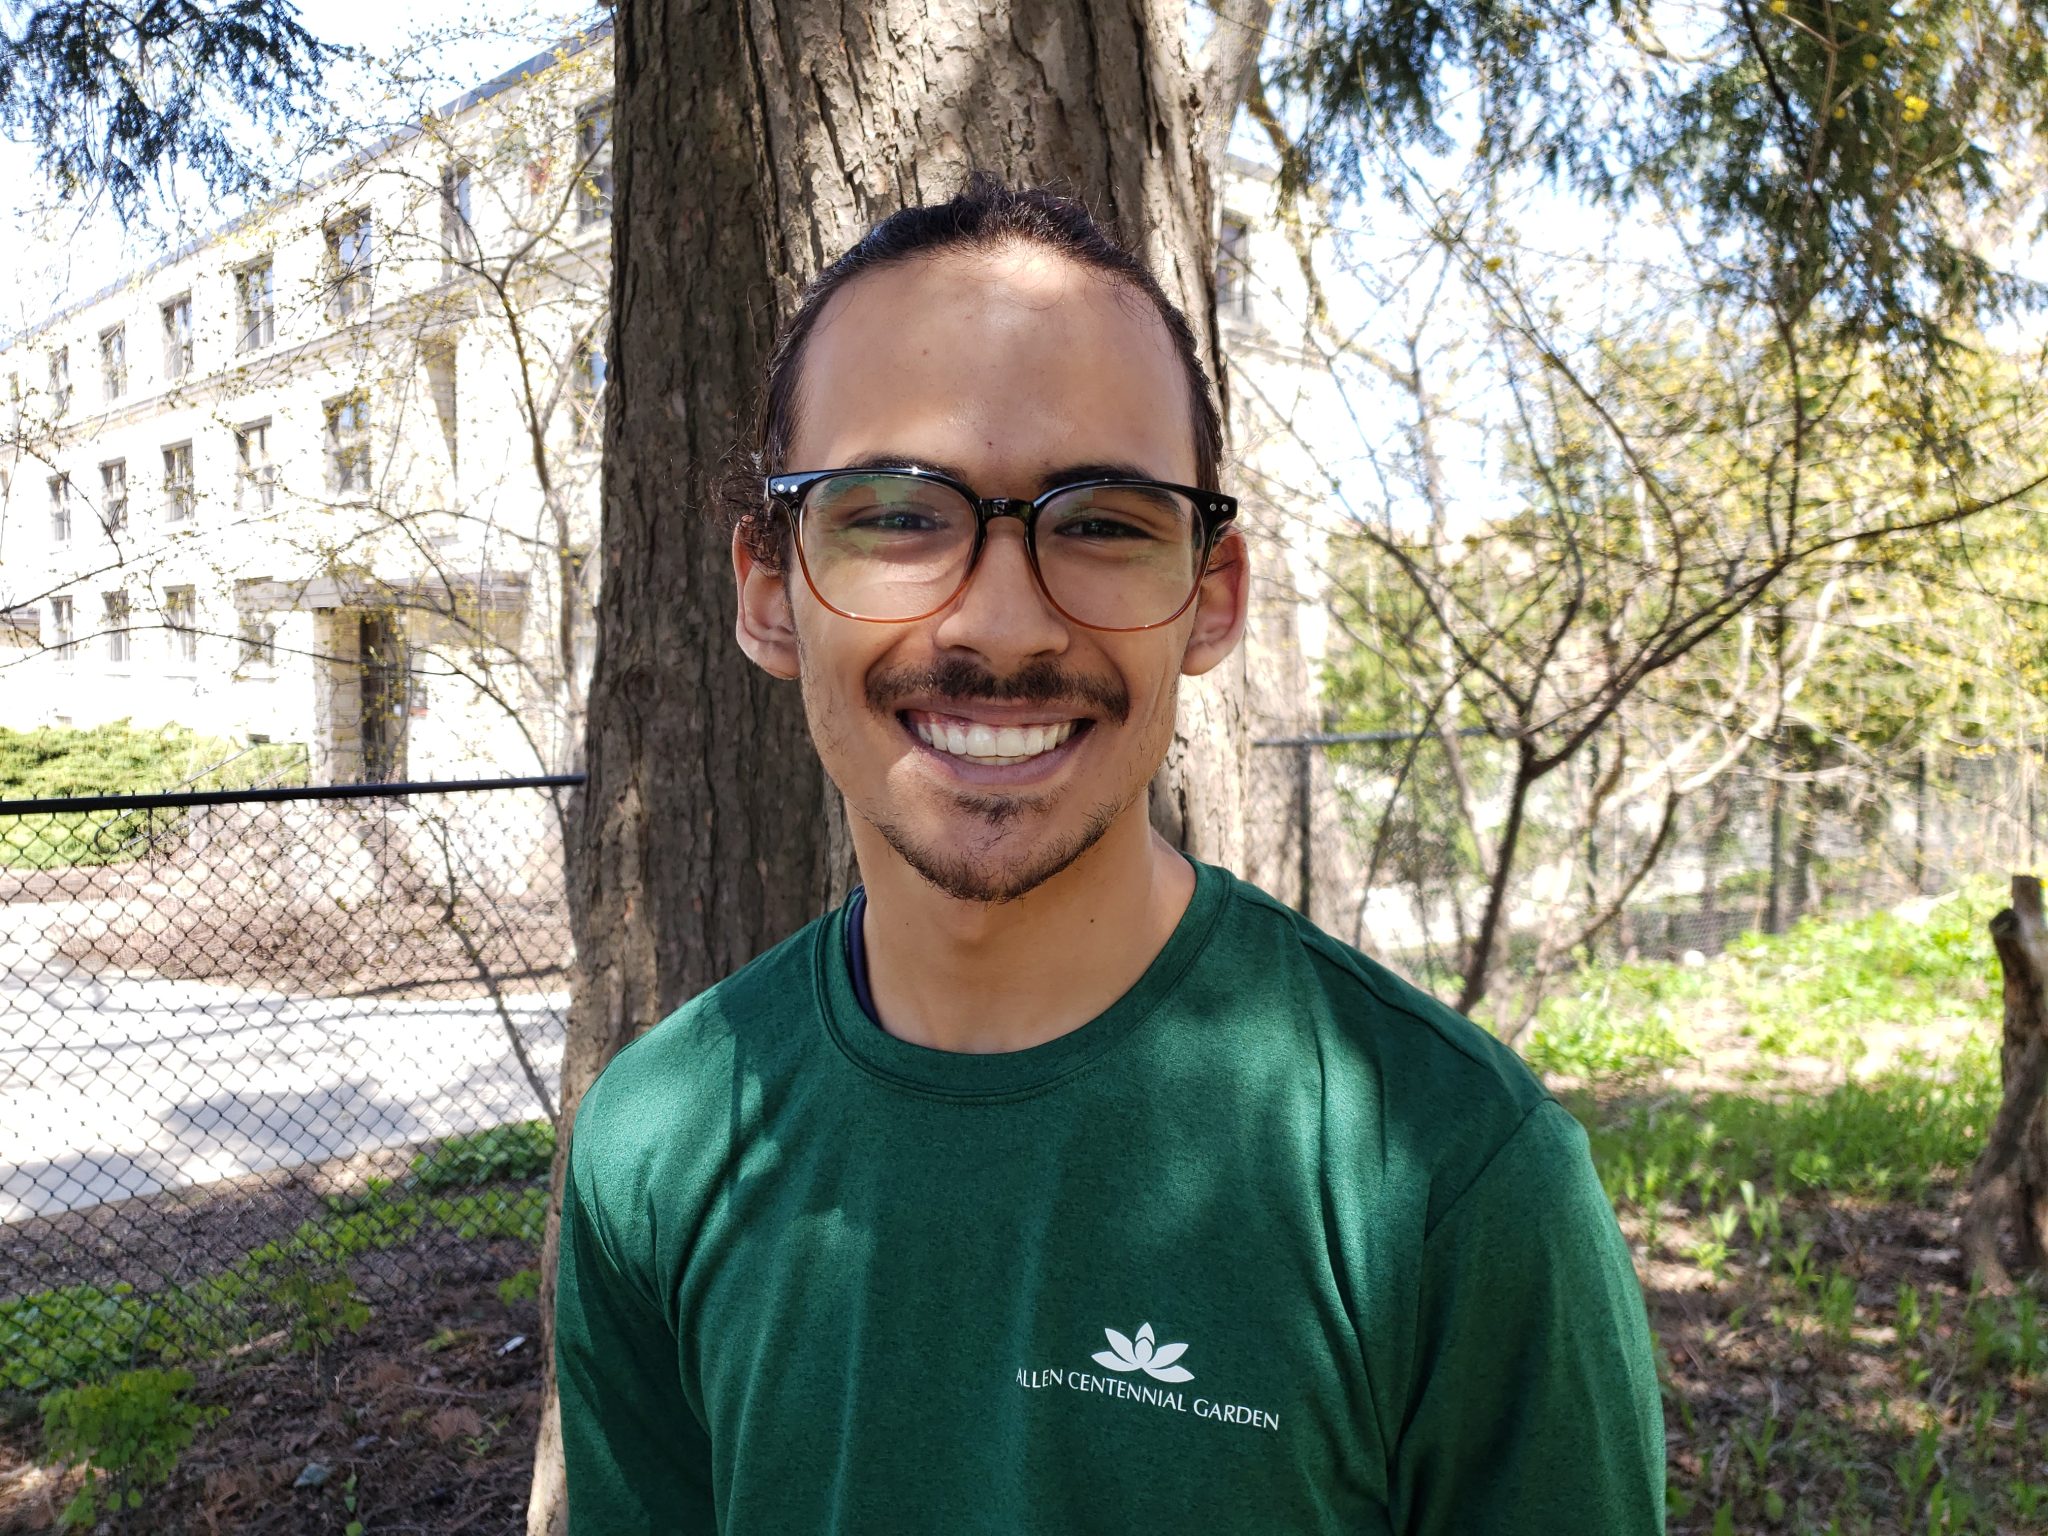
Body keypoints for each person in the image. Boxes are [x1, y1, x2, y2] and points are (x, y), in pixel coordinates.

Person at [554, 174, 1664, 1534]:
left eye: (1102, 522)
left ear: (1211, 594)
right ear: (770, 591)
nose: (1007, 626)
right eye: (897, 513)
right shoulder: (653, 1140)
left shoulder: (1451, 1175)